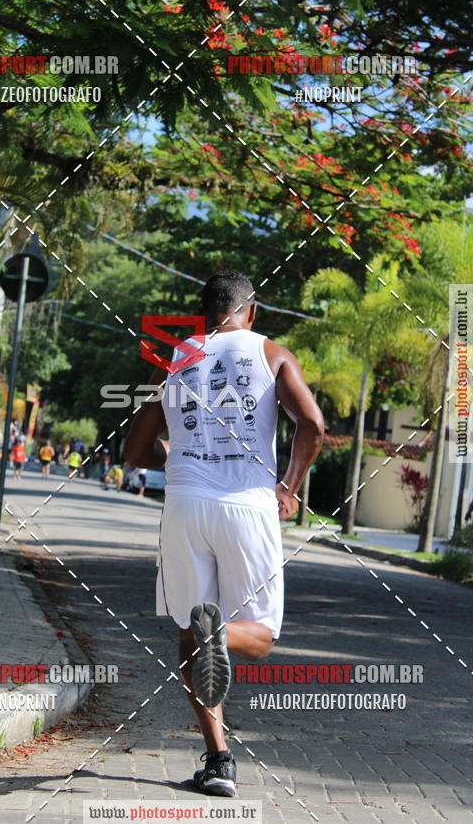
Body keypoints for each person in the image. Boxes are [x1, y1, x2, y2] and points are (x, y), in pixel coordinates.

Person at [124, 271, 324, 798]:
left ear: (203, 312)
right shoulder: (272, 353)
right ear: (250, 312)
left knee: (190, 635)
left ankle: (218, 760)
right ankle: (222, 646)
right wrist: (289, 487)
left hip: (185, 506)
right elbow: (314, 425)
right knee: (258, 637)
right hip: (249, 506)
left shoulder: (174, 358)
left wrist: (179, 459)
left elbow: (135, 453)